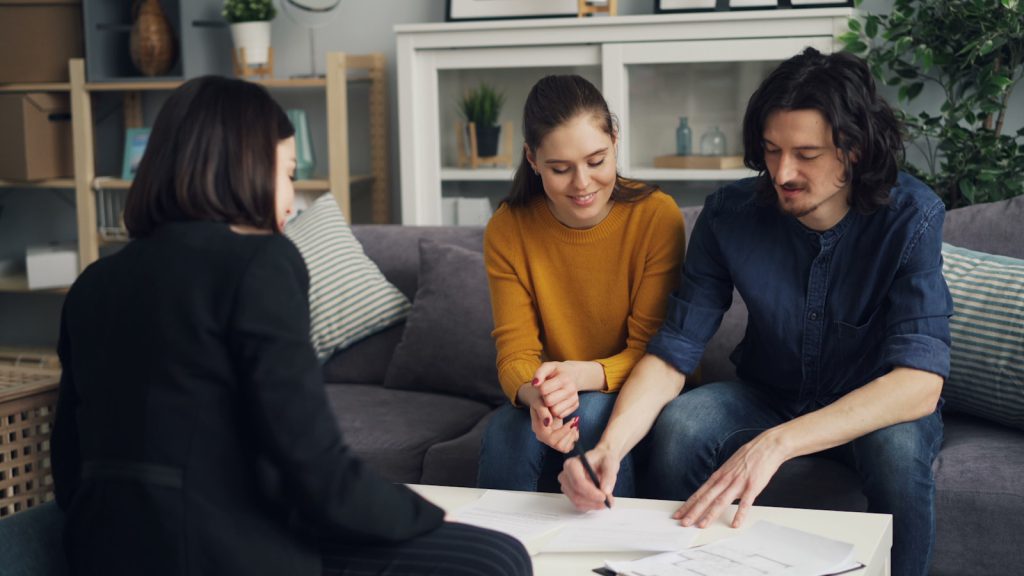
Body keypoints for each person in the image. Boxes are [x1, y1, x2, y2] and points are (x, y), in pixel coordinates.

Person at [51, 76, 532, 576]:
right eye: (287, 173)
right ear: (244, 169)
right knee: (496, 557)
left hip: (99, 549)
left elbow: (68, 467)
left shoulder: (94, 282)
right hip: (219, 550)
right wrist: (427, 516)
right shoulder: (262, 261)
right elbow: (309, 463)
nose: (291, 199)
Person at [559, 47, 951, 576]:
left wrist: (777, 444)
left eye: (806, 154)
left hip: (872, 401)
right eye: (771, 150)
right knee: (682, 425)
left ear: (853, 150)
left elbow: (920, 382)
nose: (782, 172)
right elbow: (674, 351)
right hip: (768, 393)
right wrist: (610, 447)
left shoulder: (911, 215)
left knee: (900, 454)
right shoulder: (729, 215)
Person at [477, 74, 686, 496]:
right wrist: (538, 397)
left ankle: (609, 553)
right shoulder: (508, 228)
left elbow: (657, 351)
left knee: (592, 415)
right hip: (557, 389)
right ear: (532, 160)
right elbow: (514, 351)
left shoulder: (656, 217)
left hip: (637, 387)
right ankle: (495, 555)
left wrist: (578, 376)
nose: (583, 184)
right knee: (506, 429)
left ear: (615, 140)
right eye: (560, 169)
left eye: (596, 161)